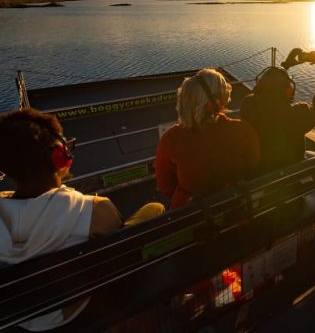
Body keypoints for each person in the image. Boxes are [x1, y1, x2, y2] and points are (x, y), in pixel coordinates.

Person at [0, 108, 164, 331]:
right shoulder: (94, 211)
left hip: (18, 320)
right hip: (80, 312)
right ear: (60, 156)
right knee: (154, 208)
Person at [156, 68, 260, 209]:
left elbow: (166, 186)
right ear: (215, 102)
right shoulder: (243, 131)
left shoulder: (170, 139)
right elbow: (252, 170)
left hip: (189, 216)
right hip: (235, 212)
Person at [241, 48, 315, 174]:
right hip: (291, 173)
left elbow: (259, 91)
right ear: (289, 91)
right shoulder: (298, 113)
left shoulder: (248, 105)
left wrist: (284, 66)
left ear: (259, 84)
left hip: (260, 171)